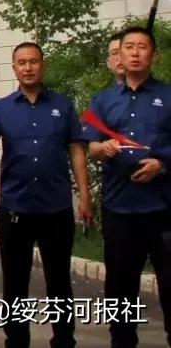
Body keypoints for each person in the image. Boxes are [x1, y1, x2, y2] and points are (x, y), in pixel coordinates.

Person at [0, 41, 91, 348]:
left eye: (33, 61)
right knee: (15, 283)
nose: (27, 67)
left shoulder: (63, 106)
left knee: (59, 282)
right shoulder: (0, 108)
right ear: (14, 68)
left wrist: (84, 196)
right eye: (21, 63)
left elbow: (77, 150)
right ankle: (16, 340)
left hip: (55, 207)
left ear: (43, 65)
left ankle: (64, 339)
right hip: (16, 207)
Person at [84, 25, 171, 348]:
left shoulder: (168, 96)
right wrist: (102, 148)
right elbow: (88, 146)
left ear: (154, 55)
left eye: (142, 47)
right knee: (121, 290)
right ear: (118, 55)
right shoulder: (104, 101)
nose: (135, 53)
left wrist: (161, 165)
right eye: (129, 47)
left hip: (163, 208)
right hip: (120, 209)